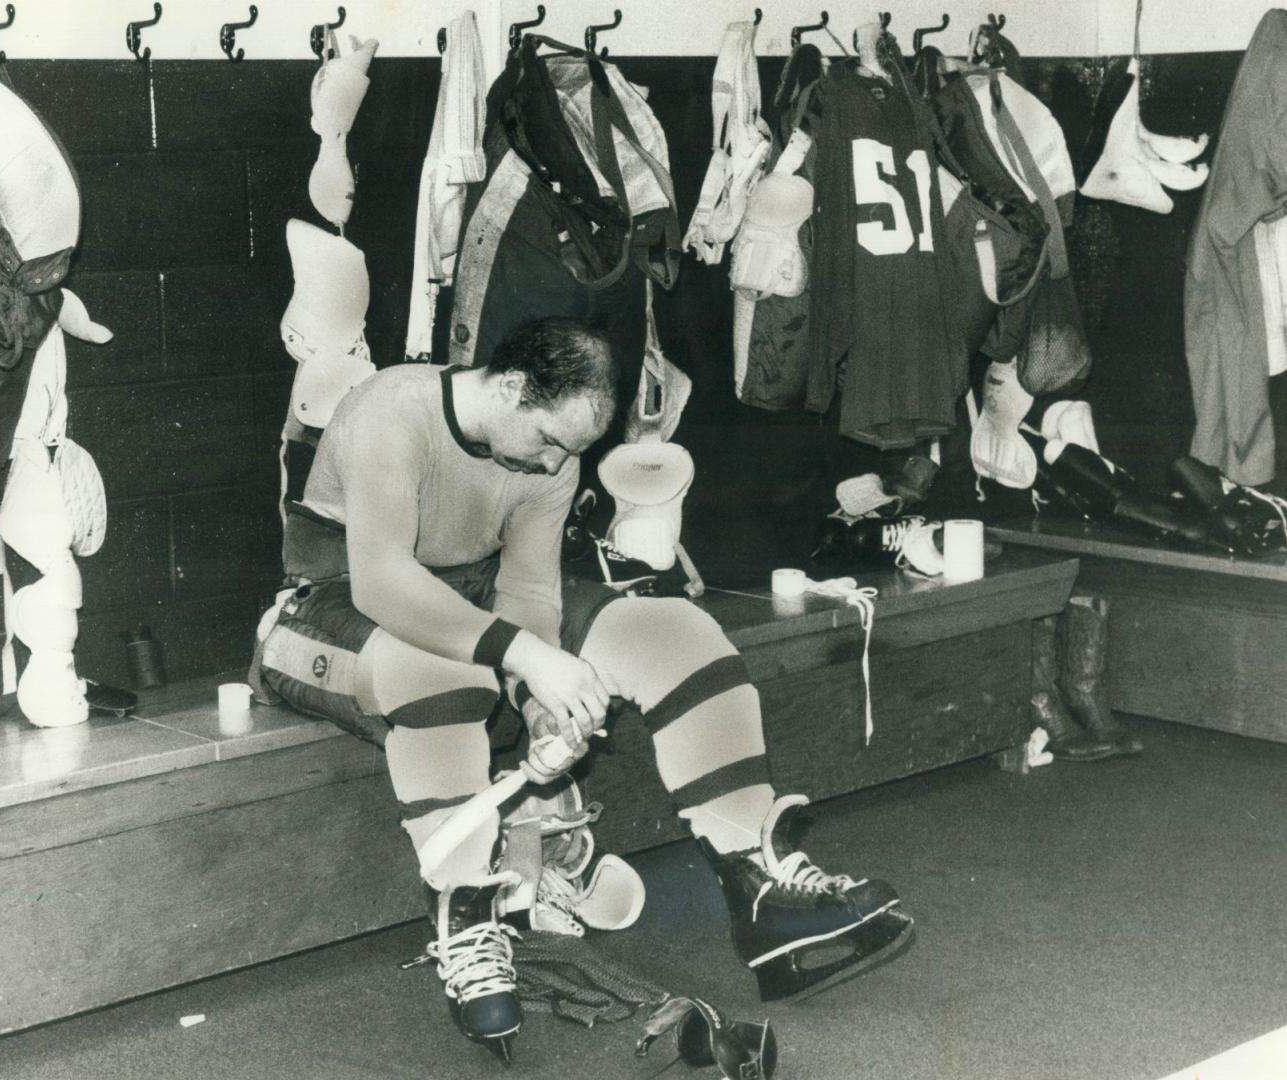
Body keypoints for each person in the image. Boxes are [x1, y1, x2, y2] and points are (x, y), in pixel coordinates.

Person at [251, 317, 912, 1061]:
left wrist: (540, 707)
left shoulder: (549, 454)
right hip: (331, 609)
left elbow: (528, 587)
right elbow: (383, 583)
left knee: (677, 633)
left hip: (473, 603)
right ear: (506, 387)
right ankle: (467, 918)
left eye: (572, 449)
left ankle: (757, 882)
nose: (556, 461)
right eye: (547, 439)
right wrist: (527, 658)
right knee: (442, 669)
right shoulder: (390, 410)